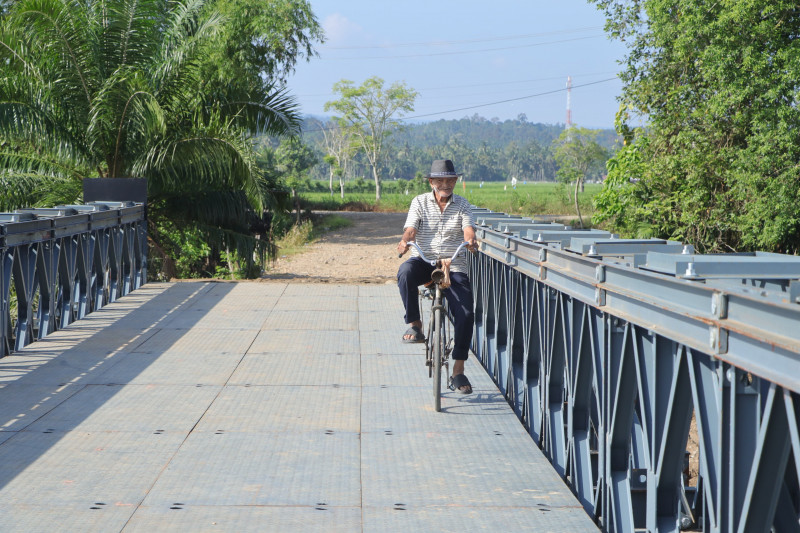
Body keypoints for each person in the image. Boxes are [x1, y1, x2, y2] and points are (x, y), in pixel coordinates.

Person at [396, 159, 478, 394]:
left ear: (455, 181)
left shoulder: (463, 204)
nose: (445, 184)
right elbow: (411, 228)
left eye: (450, 180)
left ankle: (458, 370)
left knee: (466, 313)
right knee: (405, 273)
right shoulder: (420, 202)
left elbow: (468, 228)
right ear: (431, 182)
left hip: (453, 264)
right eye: (440, 180)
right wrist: (405, 239)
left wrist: (470, 239)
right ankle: (415, 325)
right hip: (425, 259)